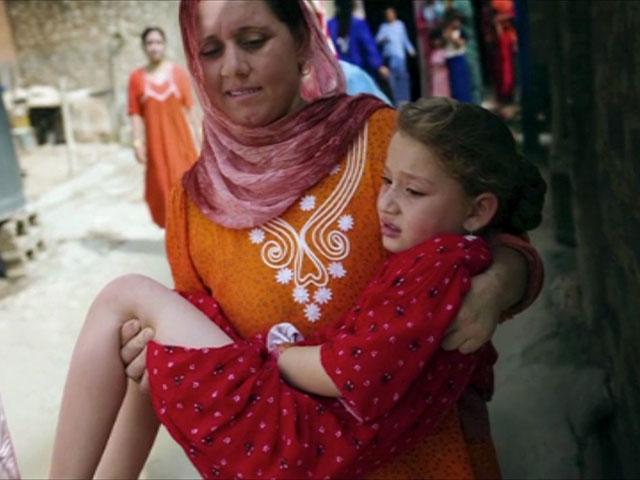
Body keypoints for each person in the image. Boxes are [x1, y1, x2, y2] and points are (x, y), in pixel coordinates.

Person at [89, 1, 543, 478]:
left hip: (429, 457)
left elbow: (502, 234)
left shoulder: (386, 140)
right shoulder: (192, 203)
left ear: (303, 41)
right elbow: (207, 355)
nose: (233, 67)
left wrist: (499, 284)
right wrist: (151, 348)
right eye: (210, 50)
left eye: (253, 41)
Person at [128, 27, 200, 229]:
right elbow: (135, 114)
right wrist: (137, 143)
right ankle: (174, 239)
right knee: (162, 193)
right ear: (143, 47)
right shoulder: (136, 78)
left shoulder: (179, 74)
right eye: (150, 43)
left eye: (158, 42)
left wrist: (201, 141)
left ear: (165, 45)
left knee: (188, 194)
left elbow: (191, 111)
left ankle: (192, 239)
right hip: (157, 150)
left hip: (182, 147)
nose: (154, 47)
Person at [328, 0, 390, 82]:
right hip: (358, 71)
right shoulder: (358, 24)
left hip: (340, 73)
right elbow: (368, 46)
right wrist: (379, 65)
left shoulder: (330, 25)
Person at [375, 7, 416, 105]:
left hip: (400, 55)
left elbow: (404, 39)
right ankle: (396, 101)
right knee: (392, 79)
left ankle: (405, 100)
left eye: (391, 13)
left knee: (402, 77)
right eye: (388, 14)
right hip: (389, 56)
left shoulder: (400, 25)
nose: (390, 16)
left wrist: (410, 49)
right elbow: (377, 40)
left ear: (395, 14)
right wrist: (384, 38)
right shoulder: (384, 27)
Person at [442, 9, 474, 103]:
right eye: (455, 20)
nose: (457, 23)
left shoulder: (460, 32)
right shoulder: (444, 32)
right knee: (454, 86)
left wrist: (451, 37)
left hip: (459, 59)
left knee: (462, 85)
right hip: (449, 60)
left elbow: (459, 44)